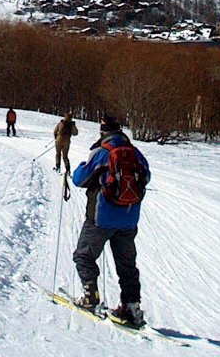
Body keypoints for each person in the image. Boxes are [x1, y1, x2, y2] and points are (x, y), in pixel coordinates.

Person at [71, 115, 150, 326]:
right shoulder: (135, 153)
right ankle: (131, 307)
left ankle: (90, 297)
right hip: (129, 217)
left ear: (103, 132)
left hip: (100, 217)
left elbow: (79, 179)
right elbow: (146, 177)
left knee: (84, 256)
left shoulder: (102, 152)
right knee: (127, 264)